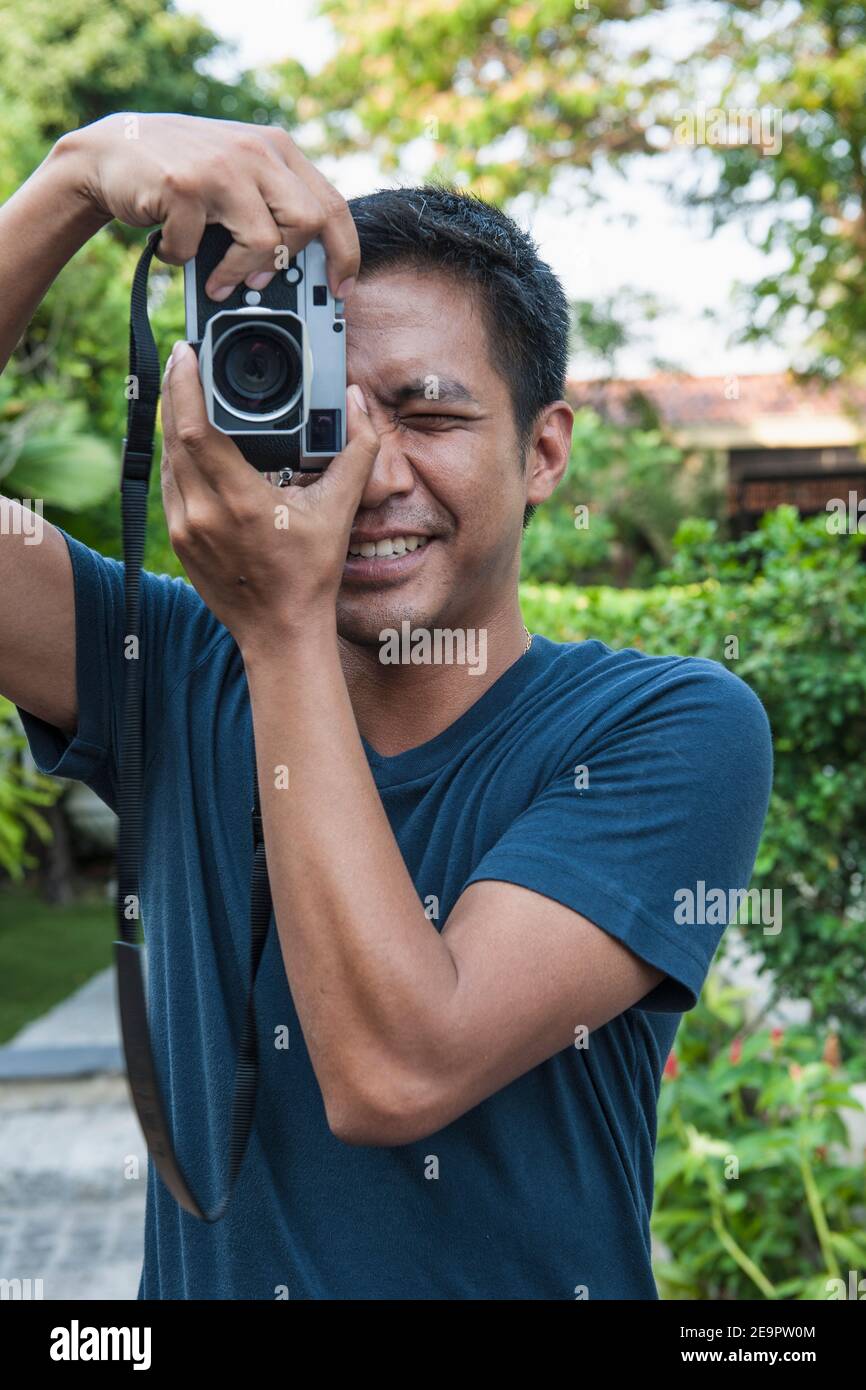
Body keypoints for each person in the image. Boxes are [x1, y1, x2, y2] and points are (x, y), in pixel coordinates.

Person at [0, 112, 772, 1300]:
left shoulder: (663, 726)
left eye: (425, 412)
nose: (364, 470)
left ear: (543, 452)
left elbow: (395, 1071)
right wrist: (70, 179)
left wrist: (279, 625)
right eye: (310, 398)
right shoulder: (182, 662)